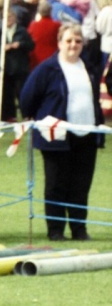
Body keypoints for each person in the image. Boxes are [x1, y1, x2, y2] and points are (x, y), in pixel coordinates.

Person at [20, 23, 103, 242]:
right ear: (59, 43)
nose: (73, 45)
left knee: (80, 185)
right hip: (56, 137)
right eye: (68, 41)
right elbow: (27, 98)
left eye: (77, 41)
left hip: (86, 135)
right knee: (56, 185)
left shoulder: (89, 68)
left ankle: (79, 229)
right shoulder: (47, 69)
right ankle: (56, 229)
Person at [0, 9, 35, 121]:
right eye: (5, 17)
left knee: (22, 93)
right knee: (8, 95)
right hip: (6, 68)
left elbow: (31, 45)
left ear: (15, 18)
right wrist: (2, 49)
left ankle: (26, 115)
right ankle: (11, 116)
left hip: (20, 68)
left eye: (10, 16)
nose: (8, 19)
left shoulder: (22, 31)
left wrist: (20, 44)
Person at [28, 0, 61, 71]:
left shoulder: (33, 25)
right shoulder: (57, 25)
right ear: (50, 11)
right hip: (52, 54)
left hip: (36, 57)